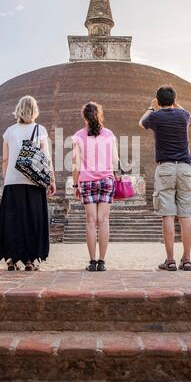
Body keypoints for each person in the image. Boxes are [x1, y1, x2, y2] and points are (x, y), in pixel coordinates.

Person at [0, 95, 56, 271]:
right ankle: (30, 260)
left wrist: (8, 179)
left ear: (18, 110)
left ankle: (12, 260)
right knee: (32, 220)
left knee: (13, 220)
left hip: (12, 183)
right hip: (34, 182)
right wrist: (51, 180)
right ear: (35, 110)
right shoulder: (39, 129)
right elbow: (46, 159)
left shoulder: (9, 131)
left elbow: (5, 160)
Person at [139, 85, 191, 271]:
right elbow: (190, 117)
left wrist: (151, 106)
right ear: (173, 100)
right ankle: (186, 259)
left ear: (158, 100)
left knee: (168, 215)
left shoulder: (155, 116)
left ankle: (170, 260)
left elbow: (141, 123)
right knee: (186, 215)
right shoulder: (183, 115)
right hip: (185, 169)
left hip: (165, 168)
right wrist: (175, 103)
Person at [72, 102, 119, 271]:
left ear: (84, 117)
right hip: (106, 179)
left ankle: (92, 263)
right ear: (99, 115)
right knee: (104, 221)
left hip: (86, 181)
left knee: (91, 222)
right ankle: (102, 262)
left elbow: (76, 164)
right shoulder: (109, 134)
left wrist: (75, 184)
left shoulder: (78, 136)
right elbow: (115, 161)